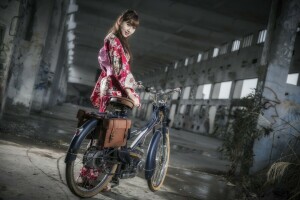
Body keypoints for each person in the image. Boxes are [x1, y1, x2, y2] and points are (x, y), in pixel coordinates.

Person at [90, 10, 140, 112]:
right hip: (113, 88)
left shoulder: (118, 41)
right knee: (112, 124)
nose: (130, 30)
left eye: (133, 28)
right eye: (128, 24)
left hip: (112, 85)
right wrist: (131, 94)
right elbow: (119, 69)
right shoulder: (114, 40)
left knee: (106, 123)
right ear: (121, 21)